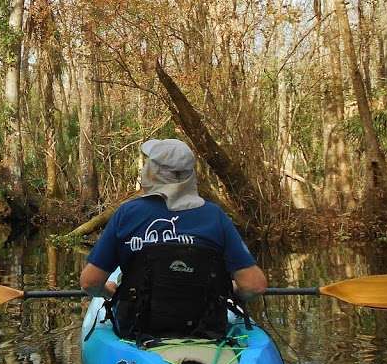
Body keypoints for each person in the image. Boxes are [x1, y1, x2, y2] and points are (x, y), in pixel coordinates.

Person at [79, 138, 267, 340]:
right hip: (206, 329)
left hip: (138, 328)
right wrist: (229, 291)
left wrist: (108, 291)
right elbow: (254, 285)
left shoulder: (127, 214)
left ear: (152, 173)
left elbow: (90, 282)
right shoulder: (215, 216)